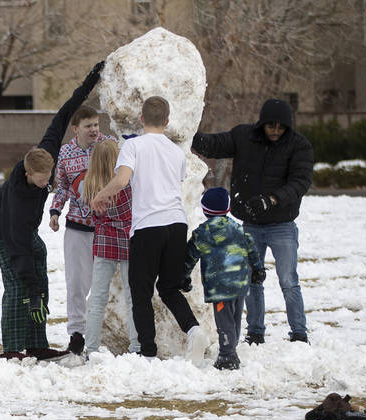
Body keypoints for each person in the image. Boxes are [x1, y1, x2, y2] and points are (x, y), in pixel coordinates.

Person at [0, 61, 104, 361]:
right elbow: (18, 245)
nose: (46, 183)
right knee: (17, 286)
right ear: (28, 175)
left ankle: (36, 344)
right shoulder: (19, 201)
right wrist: (32, 289)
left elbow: (64, 112)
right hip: (4, 232)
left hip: (24, 236)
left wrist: (90, 81)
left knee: (41, 280)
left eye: (49, 177)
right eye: (41, 180)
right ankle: (12, 349)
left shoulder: (45, 154)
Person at [89, 96, 207, 363]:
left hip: (147, 227)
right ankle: (193, 329)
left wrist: (101, 195)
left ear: (141, 119)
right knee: (169, 288)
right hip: (176, 224)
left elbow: (121, 180)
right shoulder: (177, 153)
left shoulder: (133, 146)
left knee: (140, 292)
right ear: (167, 122)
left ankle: (148, 353)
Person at [191, 99, 314, 344]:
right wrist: (188, 133)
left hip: (282, 225)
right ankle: (255, 331)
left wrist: (272, 200)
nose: (276, 132)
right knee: (251, 280)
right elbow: (214, 145)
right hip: (251, 224)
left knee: (288, 280)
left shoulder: (299, 146)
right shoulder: (244, 136)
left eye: (281, 127)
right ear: (262, 125)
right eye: (271, 127)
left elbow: (300, 182)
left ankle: (299, 332)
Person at [48, 105, 116, 355]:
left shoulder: (109, 144)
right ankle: (77, 333)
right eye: (88, 126)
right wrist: (55, 211)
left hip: (108, 227)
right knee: (77, 282)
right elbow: (63, 186)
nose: (94, 130)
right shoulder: (65, 152)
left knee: (106, 284)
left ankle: (102, 331)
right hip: (77, 226)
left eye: (97, 125)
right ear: (76, 129)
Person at [182, 187, 265, 370]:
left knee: (224, 320)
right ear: (227, 208)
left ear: (205, 211)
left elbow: (189, 257)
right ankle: (231, 349)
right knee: (235, 318)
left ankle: (228, 356)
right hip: (240, 283)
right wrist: (258, 270)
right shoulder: (238, 229)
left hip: (219, 287)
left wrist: (184, 277)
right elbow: (252, 249)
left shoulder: (202, 233)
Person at [79, 138, 138, 357]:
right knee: (133, 298)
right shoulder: (128, 183)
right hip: (128, 240)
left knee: (97, 299)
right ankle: (136, 346)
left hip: (103, 241)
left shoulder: (88, 185)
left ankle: (91, 348)